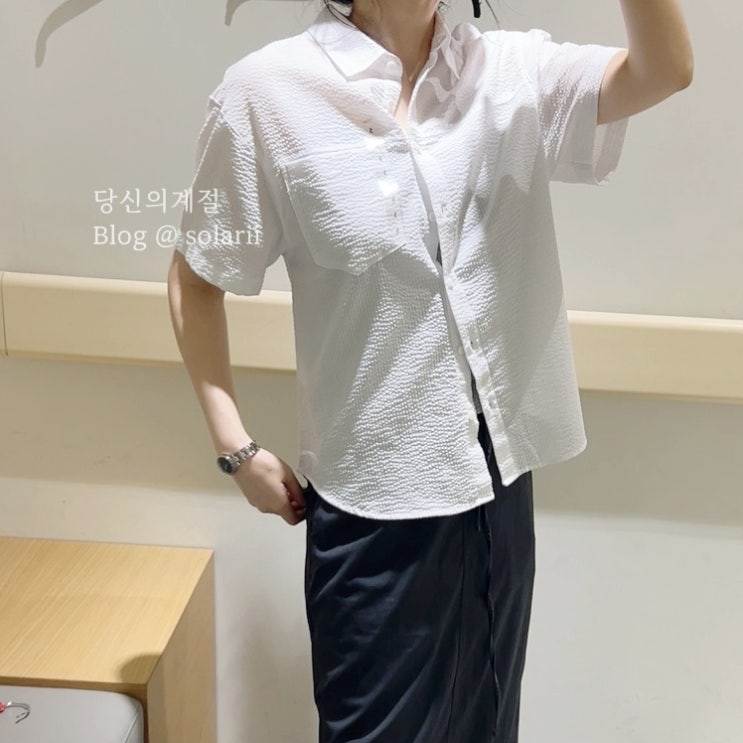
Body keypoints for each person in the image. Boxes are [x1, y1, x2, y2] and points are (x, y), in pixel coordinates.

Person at [167, 1, 693, 740]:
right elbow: (195, 278)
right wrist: (236, 447)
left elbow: (664, 70)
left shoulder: (506, 71)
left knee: (488, 722)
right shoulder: (268, 92)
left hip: (497, 482)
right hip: (373, 500)